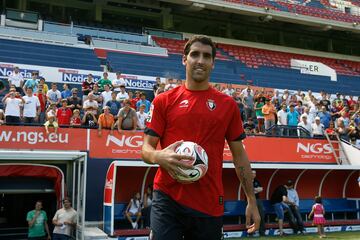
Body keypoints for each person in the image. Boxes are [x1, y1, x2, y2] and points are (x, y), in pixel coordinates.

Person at [141, 35, 260, 240]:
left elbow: (239, 155)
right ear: (184, 59)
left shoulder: (228, 105)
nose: (200, 60)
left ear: (213, 63)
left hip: (209, 202)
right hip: (168, 198)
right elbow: (146, 149)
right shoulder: (164, 101)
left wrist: (251, 200)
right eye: (195, 54)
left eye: (206, 56)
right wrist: (158, 157)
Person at [252, 170, 265, 236]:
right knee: (252, 216)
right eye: (252, 173)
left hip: (258, 199)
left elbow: (261, 189)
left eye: (255, 173)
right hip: (250, 200)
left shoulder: (257, 181)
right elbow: (249, 190)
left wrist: (254, 189)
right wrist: (257, 189)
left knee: (261, 215)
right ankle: (251, 232)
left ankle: (262, 232)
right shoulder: (247, 180)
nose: (254, 174)